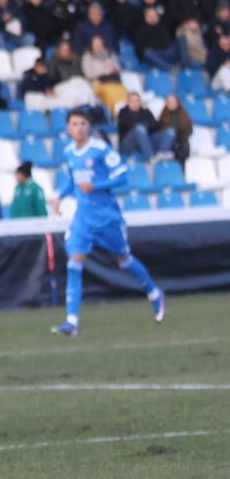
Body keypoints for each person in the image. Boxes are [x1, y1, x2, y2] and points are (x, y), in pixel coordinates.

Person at [50, 110, 165, 336]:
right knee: (74, 264)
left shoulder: (100, 149)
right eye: (75, 124)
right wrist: (60, 196)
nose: (79, 127)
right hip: (83, 219)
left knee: (124, 260)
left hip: (107, 218)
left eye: (83, 123)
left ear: (89, 127)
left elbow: (123, 177)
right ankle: (71, 322)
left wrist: (97, 185)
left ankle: (153, 292)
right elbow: (73, 180)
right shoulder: (69, 152)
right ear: (68, 128)